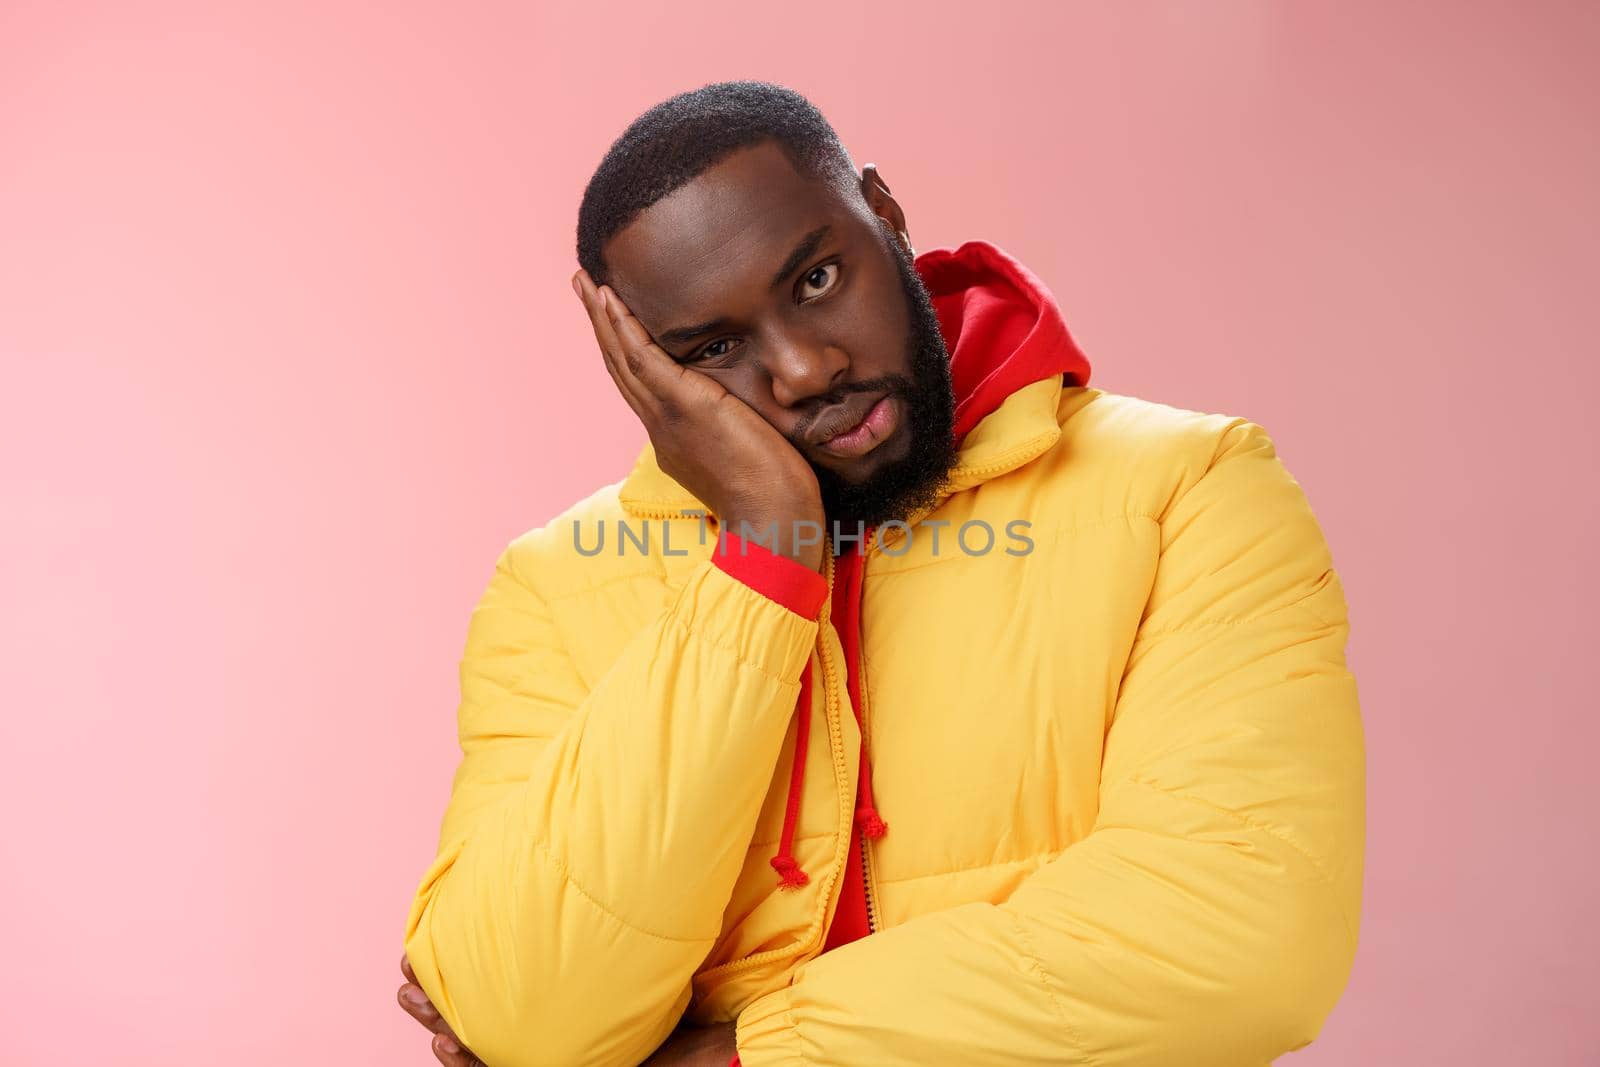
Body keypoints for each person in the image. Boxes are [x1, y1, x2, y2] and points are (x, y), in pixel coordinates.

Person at [395, 80, 1365, 1067]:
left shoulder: (1186, 490)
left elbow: (1239, 939)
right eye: (715, 348)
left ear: (887, 219)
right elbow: (518, 1015)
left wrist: (744, 1053)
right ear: (647, 367)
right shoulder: (553, 584)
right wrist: (762, 556)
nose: (804, 370)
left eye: (815, 280)